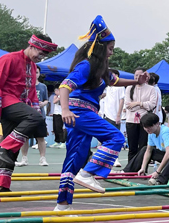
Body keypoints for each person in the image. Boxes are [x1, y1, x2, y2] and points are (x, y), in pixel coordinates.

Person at [54, 16, 146, 211]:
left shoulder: (99, 68)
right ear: (100, 48)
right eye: (110, 49)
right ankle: (88, 174)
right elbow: (65, 86)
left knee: (75, 157)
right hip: (80, 112)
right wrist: (64, 109)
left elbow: (115, 81)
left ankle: (62, 205)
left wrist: (136, 82)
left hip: (82, 114)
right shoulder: (86, 65)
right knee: (115, 137)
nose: (111, 53)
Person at [0, 33, 58, 192]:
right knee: (34, 118)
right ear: (32, 46)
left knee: (11, 151)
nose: (41, 58)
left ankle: (2, 186)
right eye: (40, 53)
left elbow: (32, 91)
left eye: (44, 56)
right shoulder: (8, 59)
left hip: (19, 105)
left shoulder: (33, 66)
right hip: (7, 101)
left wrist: (33, 109)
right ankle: (3, 147)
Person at [127, 112, 169, 185]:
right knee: (144, 149)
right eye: (145, 127)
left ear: (157, 124)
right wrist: (143, 168)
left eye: (149, 126)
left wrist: (157, 172)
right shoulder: (151, 133)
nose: (147, 129)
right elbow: (148, 151)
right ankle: (126, 171)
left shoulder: (165, 132)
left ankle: (161, 180)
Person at [124, 67, 157, 162]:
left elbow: (151, 105)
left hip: (145, 121)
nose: (137, 77)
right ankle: (130, 169)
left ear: (145, 76)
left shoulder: (151, 89)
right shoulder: (129, 88)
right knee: (132, 147)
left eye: (139, 75)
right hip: (131, 120)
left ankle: (142, 168)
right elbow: (128, 105)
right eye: (135, 75)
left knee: (143, 147)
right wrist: (143, 105)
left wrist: (138, 103)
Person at [18, 72, 50, 167]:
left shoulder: (43, 86)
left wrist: (43, 104)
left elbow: (46, 100)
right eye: (33, 71)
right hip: (26, 115)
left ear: (39, 74)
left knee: (41, 137)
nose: (34, 74)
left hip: (39, 115)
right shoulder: (23, 85)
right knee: (25, 137)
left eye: (36, 72)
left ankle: (42, 158)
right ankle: (24, 158)